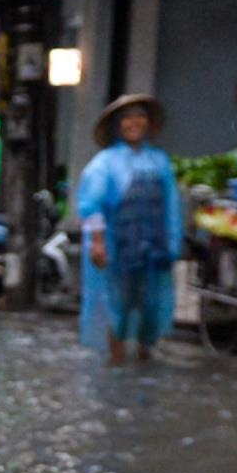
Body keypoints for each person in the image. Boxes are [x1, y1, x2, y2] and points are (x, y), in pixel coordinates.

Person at [75, 93, 183, 364]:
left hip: (154, 246)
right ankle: (117, 358)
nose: (134, 122)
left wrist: (172, 242)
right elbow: (90, 204)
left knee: (151, 304)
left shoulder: (159, 161)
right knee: (117, 303)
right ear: (118, 125)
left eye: (140, 116)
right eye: (127, 117)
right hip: (118, 247)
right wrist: (98, 243)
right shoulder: (105, 163)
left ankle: (145, 354)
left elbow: (171, 205)